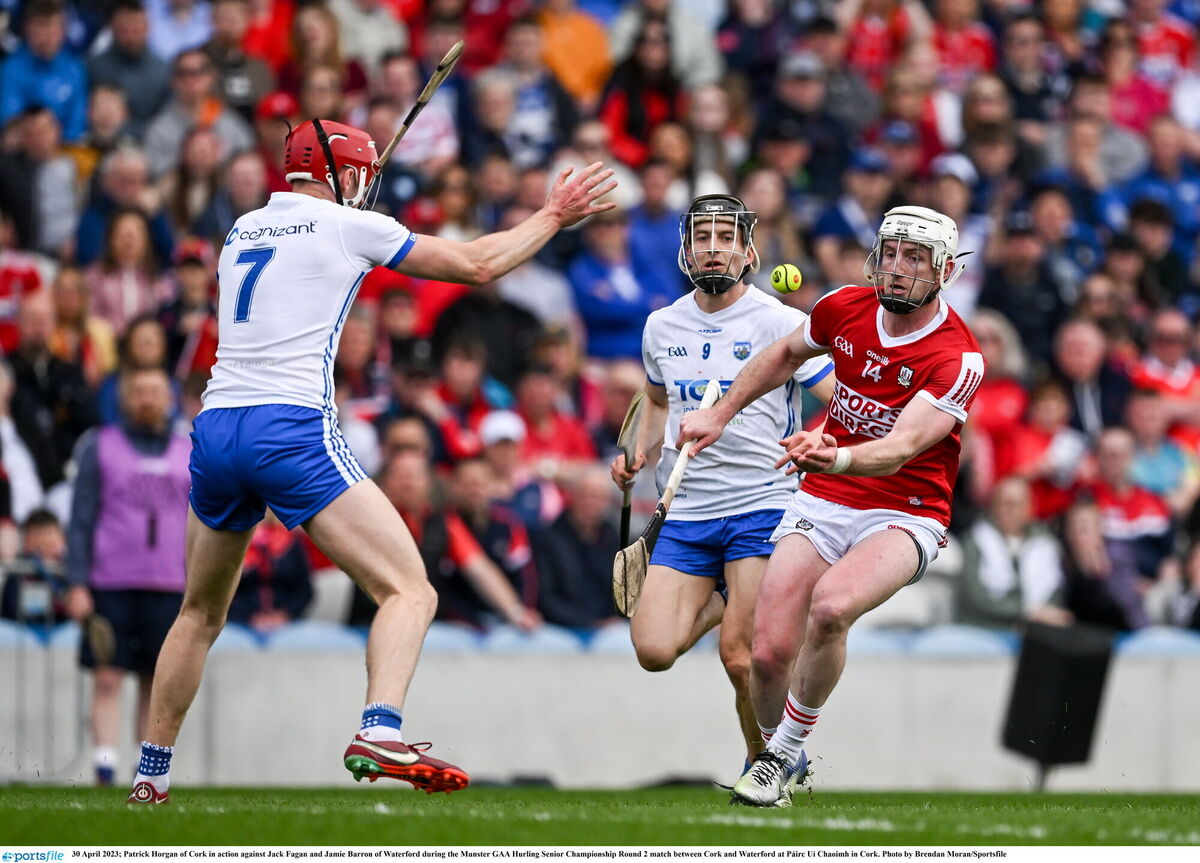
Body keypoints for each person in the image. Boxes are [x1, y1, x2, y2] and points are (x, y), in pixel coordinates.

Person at [128, 117, 615, 804]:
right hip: (287, 428)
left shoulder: (244, 227)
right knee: (410, 589)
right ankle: (380, 727)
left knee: (199, 612)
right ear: (344, 174)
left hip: (214, 428)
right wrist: (552, 215)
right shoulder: (349, 226)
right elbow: (478, 264)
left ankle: (151, 774)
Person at [679, 205, 984, 806]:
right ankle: (780, 763)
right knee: (765, 657)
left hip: (906, 509)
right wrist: (720, 412)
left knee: (831, 608)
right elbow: (784, 355)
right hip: (824, 496)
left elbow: (899, 449)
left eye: (915, 258)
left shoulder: (957, 358)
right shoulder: (844, 305)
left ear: (945, 270)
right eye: (891, 252)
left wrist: (835, 454)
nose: (897, 268)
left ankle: (780, 756)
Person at [610, 194, 834, 779]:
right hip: (686, 509)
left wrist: (820, 444)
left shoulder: (781, 322)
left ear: (748, 250)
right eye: (703, 237)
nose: (715, 248)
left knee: (740, 658)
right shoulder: (662, 325)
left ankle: (769, 768)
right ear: (685, 250)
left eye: (726, 237)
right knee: (655, 650)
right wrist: (639, 449)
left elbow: (837, 398)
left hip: (762, 502)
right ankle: (728, 597)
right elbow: (658, 401)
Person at [65, 368, 190, 786]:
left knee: (156, 682)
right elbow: (81, 519)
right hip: (111, 579)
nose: (147, 400)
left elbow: (200, 521)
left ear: (168, 398)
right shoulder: (100, 447)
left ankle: (145, 768)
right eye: (138, 392)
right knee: (108, 675)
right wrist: (77, 581)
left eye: (155, 391)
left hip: (169, 581)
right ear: (124, 399)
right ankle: (104, 765)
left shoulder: (188, 449)